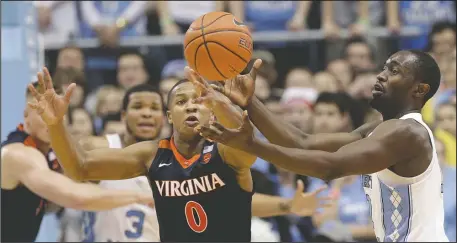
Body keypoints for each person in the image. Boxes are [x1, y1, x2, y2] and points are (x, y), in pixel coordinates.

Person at [27, 69, 329, 242]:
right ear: (169, 115)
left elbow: (244, 138)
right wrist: (55, 125)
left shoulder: (226, 151)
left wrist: (223, 102)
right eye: (182, 102)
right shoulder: (151, 154)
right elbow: (80, 169)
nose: (192, 106)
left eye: (199, 101)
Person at [194, 50, 449, 242]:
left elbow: (330, 167)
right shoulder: (379, 129)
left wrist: (251, 145)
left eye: (394, 71)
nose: (381, 75)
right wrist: (249, 101)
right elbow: (301, 142)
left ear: (420, 89)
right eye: (383, 68)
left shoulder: (407, 131)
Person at [0, 82, 154, 242]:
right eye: (42, 112)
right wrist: (139, 196)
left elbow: (50, 204)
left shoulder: (52, 155)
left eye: (58, 111)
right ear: (26, 115)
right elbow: (76, 198)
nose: (49, 118)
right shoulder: (17, 154)